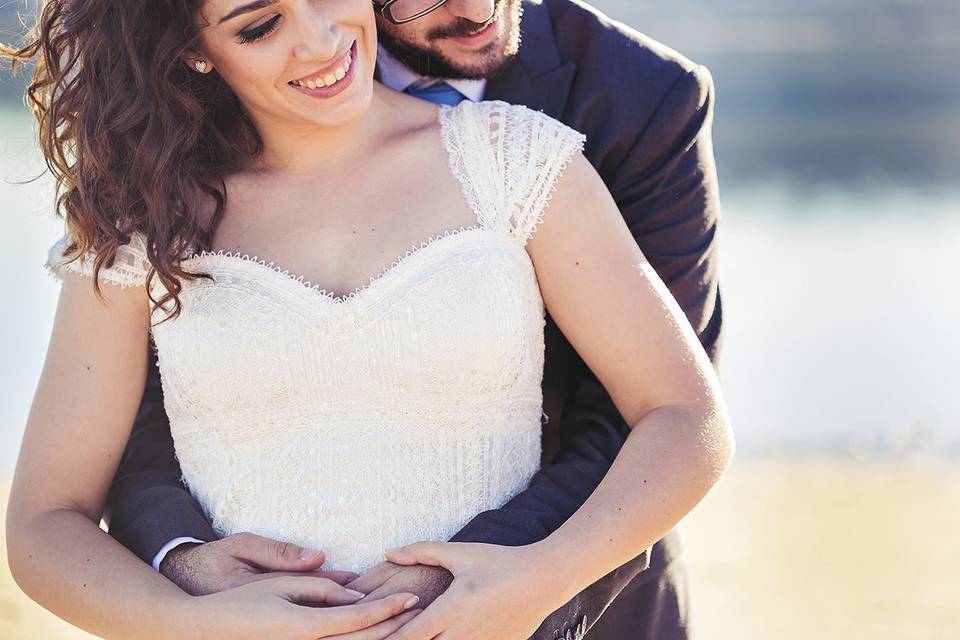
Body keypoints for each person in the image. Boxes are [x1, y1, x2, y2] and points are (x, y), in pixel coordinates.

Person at [5, 1, 732, 639]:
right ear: (192, 50)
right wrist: (192, 621)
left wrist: (537, 581)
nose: (321, 40)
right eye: (260, 25)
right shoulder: (141, 222)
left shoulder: (516, 157)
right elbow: (45, 522)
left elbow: (684, 414)